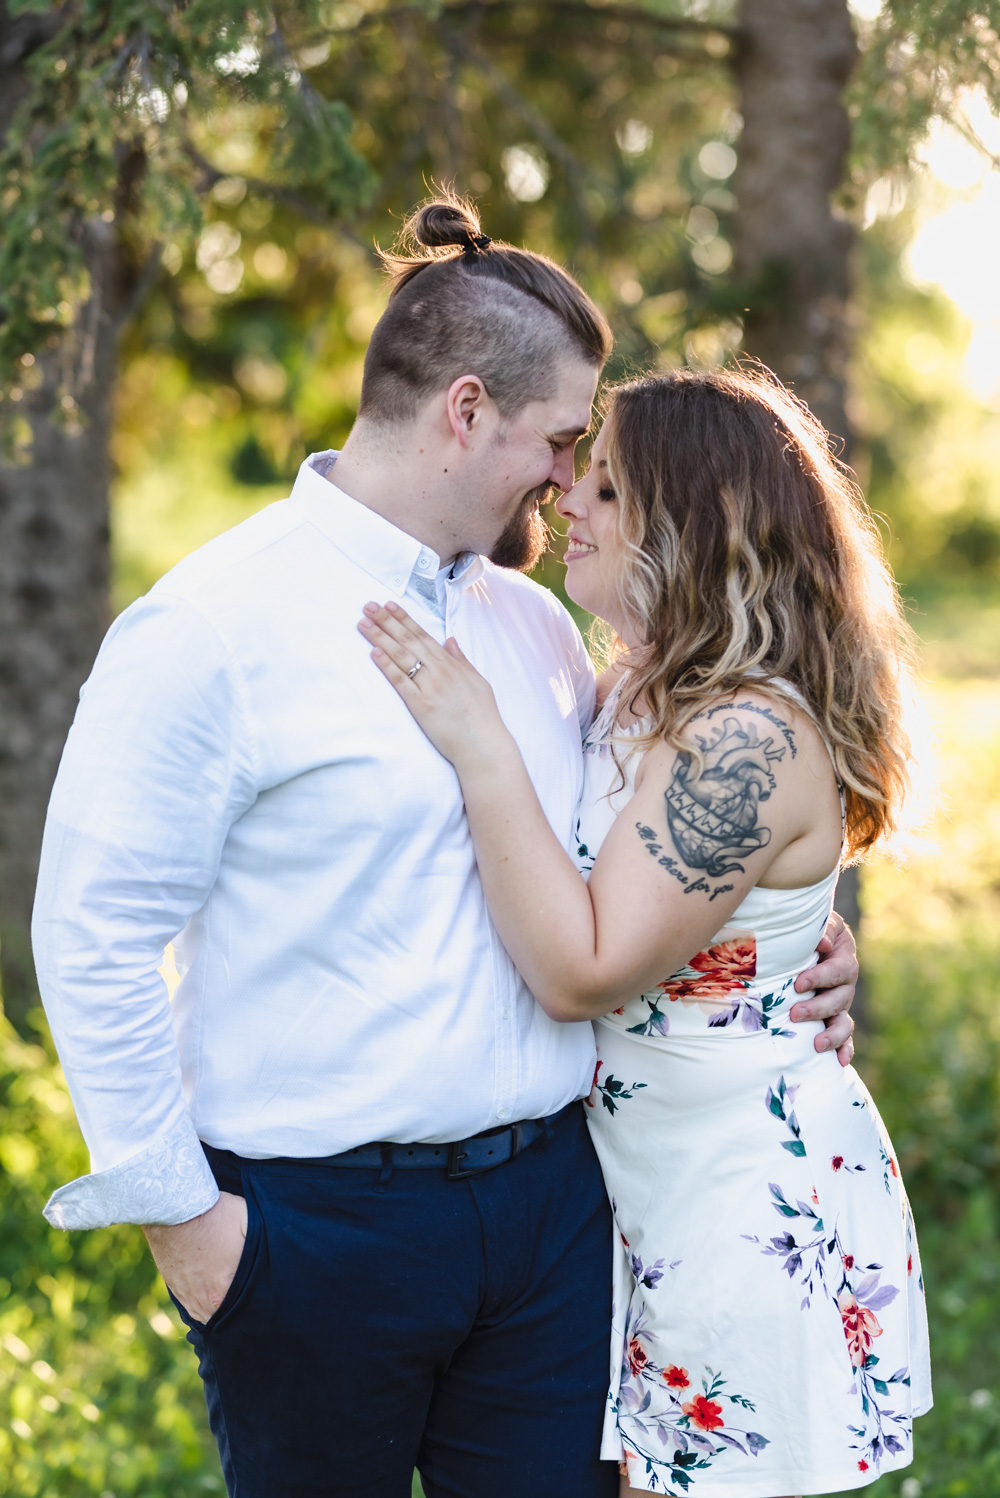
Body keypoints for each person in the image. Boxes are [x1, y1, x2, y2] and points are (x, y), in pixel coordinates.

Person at [32, 197, 858, 1498]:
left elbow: (645, 855)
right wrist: (191, 1230)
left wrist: (791, 942)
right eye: (561, 440)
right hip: (313, 1233)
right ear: (466, 412)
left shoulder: (534, 627)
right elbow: (92, 929)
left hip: (553, 1220)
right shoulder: (212, 624)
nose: (569, 478)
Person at [358, 365, 931, 1498]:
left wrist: (478, 739)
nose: (568, 495)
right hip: (626, 1208)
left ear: (692, 525)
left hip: (732, 1214)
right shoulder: (635, 691)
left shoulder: (746, 738)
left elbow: (583, 968)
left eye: (609, 487)